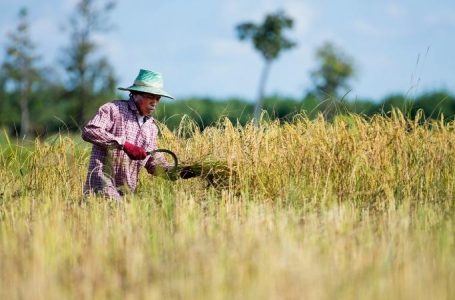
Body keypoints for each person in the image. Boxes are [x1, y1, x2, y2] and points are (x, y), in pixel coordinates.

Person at [81, 69, 195, 200]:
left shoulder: (151, 127)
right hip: (102, 186)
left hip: (127, 193)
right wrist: (123, 144)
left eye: (158, 98)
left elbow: (153, 163)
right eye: (150, 97)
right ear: (135, 94)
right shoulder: (113, 110)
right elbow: (90, 131)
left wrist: (179, 171)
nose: (155, 102)